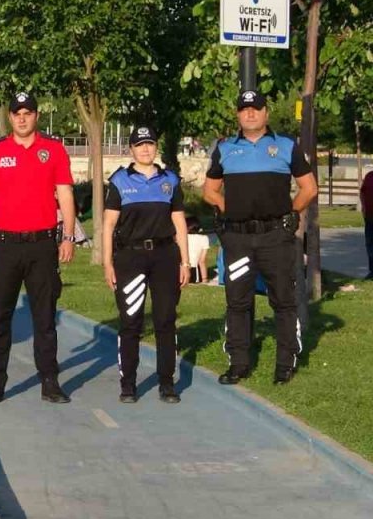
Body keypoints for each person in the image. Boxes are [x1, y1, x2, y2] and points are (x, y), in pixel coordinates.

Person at [0, 92, 76, 404]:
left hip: (42, 246)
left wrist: (68, 236)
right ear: (10, 117)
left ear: (36, 116)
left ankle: (50, 382)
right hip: (5, 246)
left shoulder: (53, 151)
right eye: (17, 113)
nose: (22, 118)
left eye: (28, 113)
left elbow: (65, 195)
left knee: (44, 319)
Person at [202, 89, 318, 386]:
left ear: (266, 112)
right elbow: (209, 191)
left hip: (274, 238)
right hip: (238, 240)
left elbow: (309, 188)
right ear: (238, 115)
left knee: (282, 301)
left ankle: (285, 363)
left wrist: (292, 213)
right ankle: (239, 363)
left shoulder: (286, 146)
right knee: (237, 302)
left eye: (255, 108)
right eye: (244, 109)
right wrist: (232, 211)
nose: (250, 113)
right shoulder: (225, 148)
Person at [102, 126, 189, 404]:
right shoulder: (119, 181)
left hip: (165, 257)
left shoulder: (170, 181)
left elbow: (179, 223)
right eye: (140, 145)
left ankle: (167, 382)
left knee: (165, 320)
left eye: (150, 144)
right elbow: (108, 225)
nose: (146, 149)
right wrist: (107, 263)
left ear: (156, 147)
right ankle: (128, 384)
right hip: (130, 258)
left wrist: (185, 262)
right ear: (131, 149)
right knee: (131, 322)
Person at [361, 166, 373, 279]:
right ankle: (371, 271)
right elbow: (362, 192)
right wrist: (363, 207)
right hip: (369, 217)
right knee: (369, 244)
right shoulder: (369, 176)